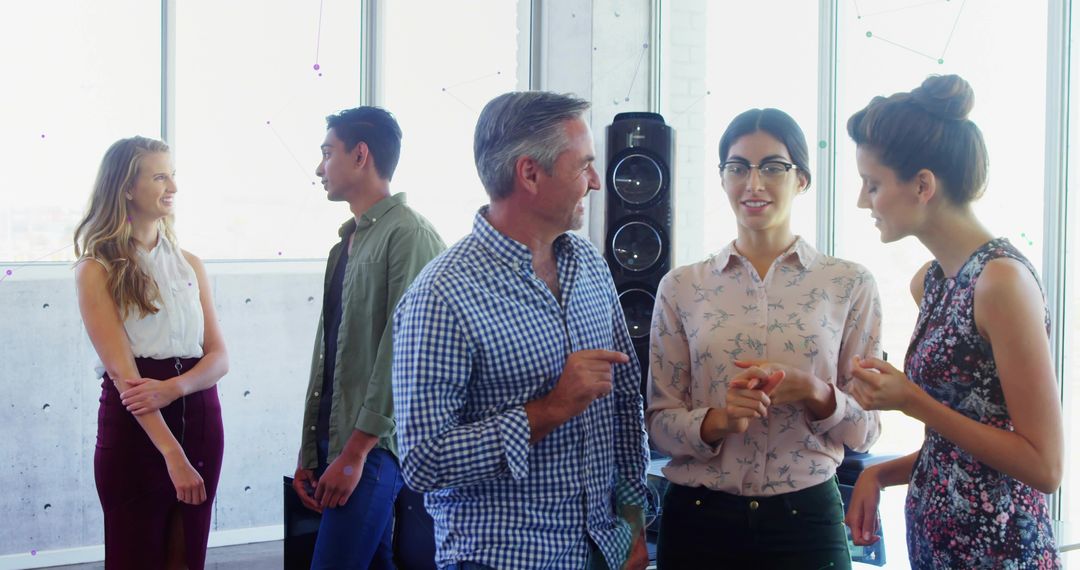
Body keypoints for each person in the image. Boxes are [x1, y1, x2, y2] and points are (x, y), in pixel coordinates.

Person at [391, 91, 650, 570]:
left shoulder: (589, 264)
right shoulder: (442, 295)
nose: (596, 182)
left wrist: (633, 523)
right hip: (502, 558)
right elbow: (423, 461)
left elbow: (623, 403)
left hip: (602, 550)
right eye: (584, 166)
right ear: (530, 174)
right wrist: (549, 409)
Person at [646, 108, 883, 569]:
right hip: (698, 519)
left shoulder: (849, 284)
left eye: (773, 167)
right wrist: (718, 421)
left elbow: (866, 431)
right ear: (722, 178)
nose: (753, 184)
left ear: (802, 180)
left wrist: (816, 393)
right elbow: (658, 422)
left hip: (806, 519)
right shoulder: (682, 286)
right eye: (738, 168)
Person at [844, 74, 1063, 569]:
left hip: (1001, 554)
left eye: (873, 184)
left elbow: (1044, 466)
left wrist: (911, 400)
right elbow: (958, 449)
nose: (862, 201)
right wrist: (879, 474)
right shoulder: (932, 282)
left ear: (923, 185)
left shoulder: (1001, 282)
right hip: (939, 548)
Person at [291, 106, 445, 569]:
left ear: (360, 155)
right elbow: (329, 355)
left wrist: (355, 452)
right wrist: (311, 451)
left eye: (327, 153)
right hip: (339, 442)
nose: (318, 168)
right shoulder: (345, 243)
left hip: (374, 448)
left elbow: (404, 353)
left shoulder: (409, 234)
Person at [74, 136, 228, 569]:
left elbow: (219, 358)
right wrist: (172, 454)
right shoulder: (95, 269)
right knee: (135, 556)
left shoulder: (191, 264)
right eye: (160, 177)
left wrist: (174, 388)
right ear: (126, 188)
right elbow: (125, 376)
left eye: (172, 175)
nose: (172, 186)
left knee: (187, 557)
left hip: (201, 417)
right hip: (136, 427)